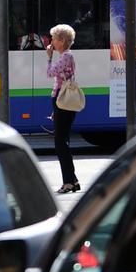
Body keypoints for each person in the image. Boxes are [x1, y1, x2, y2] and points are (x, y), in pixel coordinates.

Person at [46, 23, 80, 194]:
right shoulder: (66, 56)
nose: (51, 41)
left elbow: (49, 73)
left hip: (62, 102)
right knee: (62, 142)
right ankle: (72, 180)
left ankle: (68, 182)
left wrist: (49, 57)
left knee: (61, 143)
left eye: (54, 38)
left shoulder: (65, 56)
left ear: (62, 41)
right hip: (61, 102)